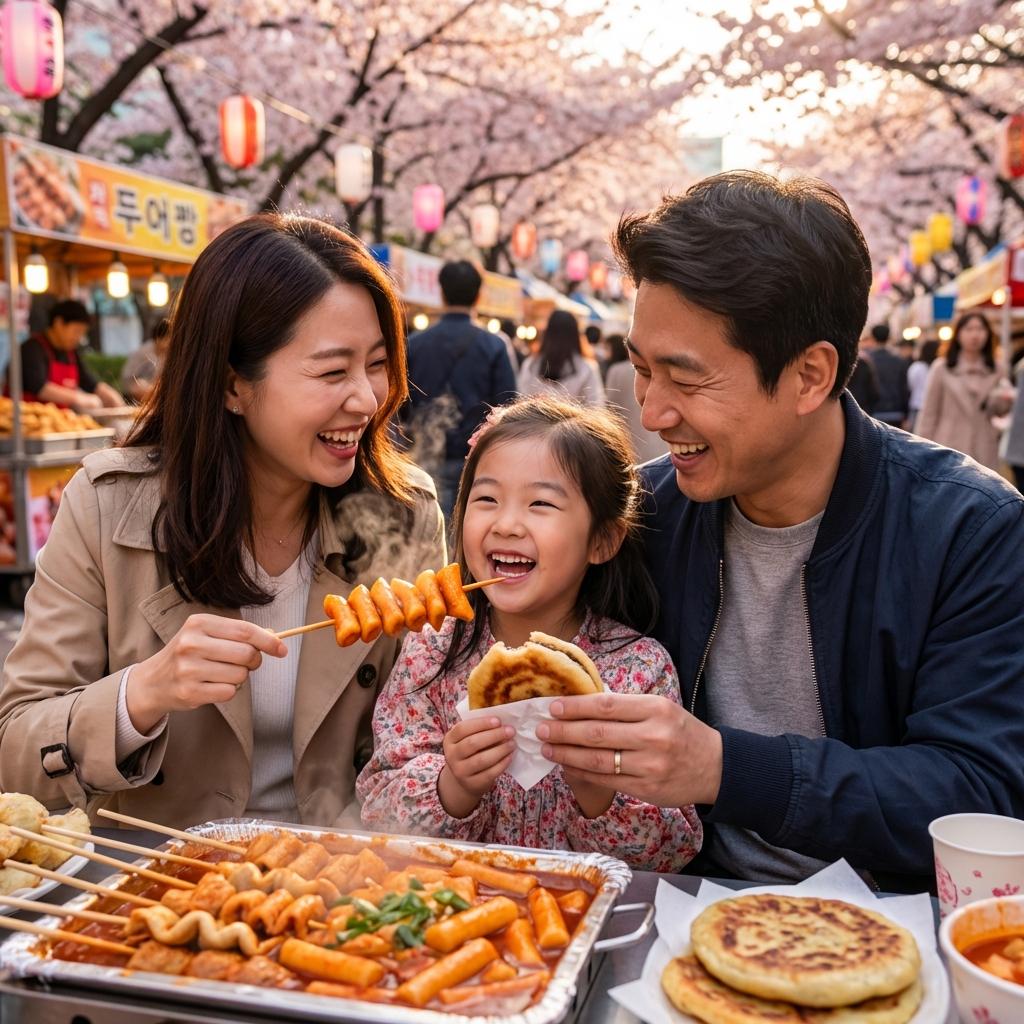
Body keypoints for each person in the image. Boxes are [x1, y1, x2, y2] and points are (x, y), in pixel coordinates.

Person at [535, 172, 1024, 893]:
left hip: (893, 923)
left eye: (686, 378)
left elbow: (981, 791)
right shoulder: (645, 516)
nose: (655, 411)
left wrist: (725, 768)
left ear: (809, 376)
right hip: (678, 903)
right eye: (641, 370)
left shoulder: (967, 530)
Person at [0, 214, 446, 827]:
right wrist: (143, 693)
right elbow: (15, 749)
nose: (368, 400)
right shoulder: (109, 510)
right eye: (331, 370)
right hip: (158, 891)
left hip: (346, 887)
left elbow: (427, 730)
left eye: (376, 363)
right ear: (233, 384)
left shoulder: (405, 515)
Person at [357, 396, 701, 871]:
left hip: (586, 921)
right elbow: (377, 810)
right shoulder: (431, 651)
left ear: (602, 540)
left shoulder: (638, 671)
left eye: (541, 503)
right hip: (455, 921)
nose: (507, 524)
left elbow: (670, 852)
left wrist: (599, 790)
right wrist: (453, 788)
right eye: (487, 499)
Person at [403, 260, 517, 516]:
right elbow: (508, 404)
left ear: (441, 292)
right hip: (477, 456)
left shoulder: (415, 344)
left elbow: (401, 401)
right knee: (469, 525)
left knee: (428, 525)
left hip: (425, 452)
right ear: (478, 295)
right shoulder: (494, 345)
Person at [914, 313, 1012, 470]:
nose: (975, 335)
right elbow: (928, 414)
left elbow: (1000, 413)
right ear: (958, 334)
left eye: (980, 329)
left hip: (985, 448)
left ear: (988, 334)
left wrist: (1004, 398)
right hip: (948, 446)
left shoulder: (997, 369)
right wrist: (921, 450)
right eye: (969, 329)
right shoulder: (942, 367)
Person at [11, 299, 123, 410]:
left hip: (61, 420)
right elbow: (39, 387)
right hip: (27, 419)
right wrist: (78, 398)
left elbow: (88, 381)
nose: (79, 338)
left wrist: (108, 393)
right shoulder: (32, 349)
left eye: (82, 333)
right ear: (59, 323)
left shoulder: (71, 353)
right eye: (77, 331)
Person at [517, 310, 605, 407]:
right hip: (575, 421)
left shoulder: (530, 364)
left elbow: (521, 400)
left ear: (547, 333)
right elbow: (596, 407)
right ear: (575, 334)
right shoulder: (587, 368)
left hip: (535, 421)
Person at [603, 333, 663, 463]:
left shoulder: (616, 371)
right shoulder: (666, 368)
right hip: (660, 449)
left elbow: (609, 410)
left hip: (628, 447)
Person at [860, 324, 909, 426]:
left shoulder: (867, 361)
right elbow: (904, 388)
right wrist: (905, 413)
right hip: (896, 411)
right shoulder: (898, 361)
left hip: (874, 413)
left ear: (873, 338)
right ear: (888, 337)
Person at [121, 318, 171, 402]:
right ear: (159, 338)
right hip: (133, 385)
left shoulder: (165, 354)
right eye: (168, 338)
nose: (170, 342)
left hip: (151, 387)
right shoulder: (145, 352)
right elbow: (130, 378)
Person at [906, 338, 940, 431]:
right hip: (936, 408)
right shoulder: (940, 368)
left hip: (917, 405)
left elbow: (910, 385)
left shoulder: (916, 367)